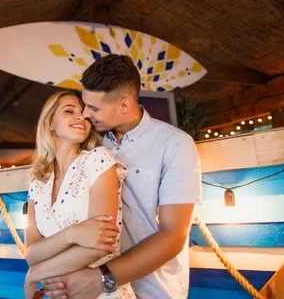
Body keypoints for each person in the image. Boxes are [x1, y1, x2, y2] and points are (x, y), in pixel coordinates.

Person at [43, 54, 202, 299]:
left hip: (151, 290)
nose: (85, 114)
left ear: (124, 105)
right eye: (85, 104)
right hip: (89, 288)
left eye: (94, 108)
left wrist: (100, 279)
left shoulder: (175, 144)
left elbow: (173, 236)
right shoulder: (89, 143)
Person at [23, 90, 136, 299]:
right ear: (49, 123)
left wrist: (36, 273)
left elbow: (102, 244)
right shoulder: (37, 181)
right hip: (61, 293)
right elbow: (31, 253)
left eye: (83, 113)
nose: (81, 116)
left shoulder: (98, 160)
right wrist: (72, 234)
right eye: (69, 111)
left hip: (102, 293)